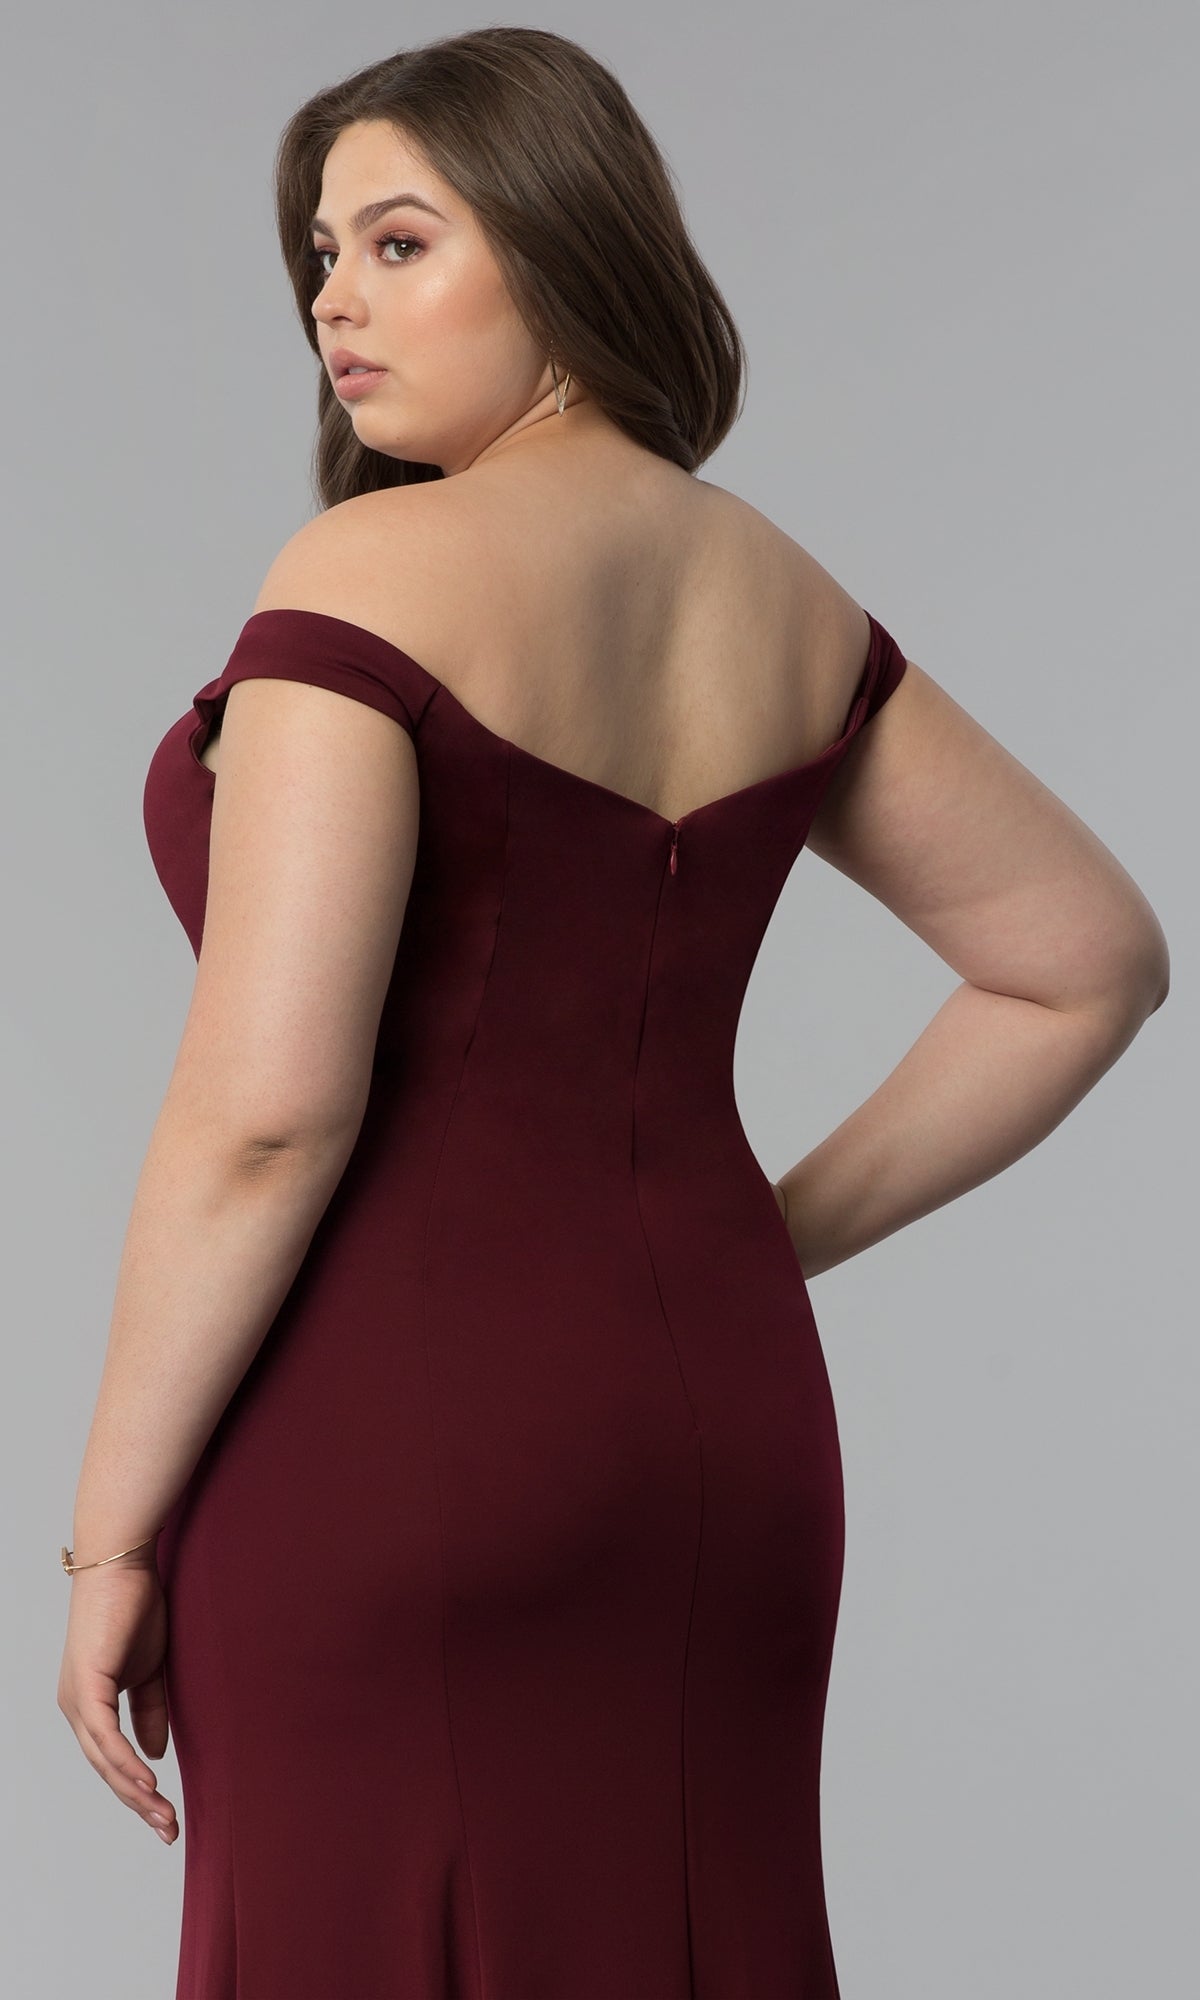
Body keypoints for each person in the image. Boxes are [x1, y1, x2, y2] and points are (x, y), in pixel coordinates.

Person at [56, 25, 1169, 2000]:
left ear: (567, 245)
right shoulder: (790, 602)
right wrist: (750, 1234)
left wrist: (106, 1538)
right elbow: (1087, 954)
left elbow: (266, 1111)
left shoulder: (368, 573)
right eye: (321, 253)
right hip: (716, 1433)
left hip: (383, 1441)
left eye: (402, 241)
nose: (336, 299)